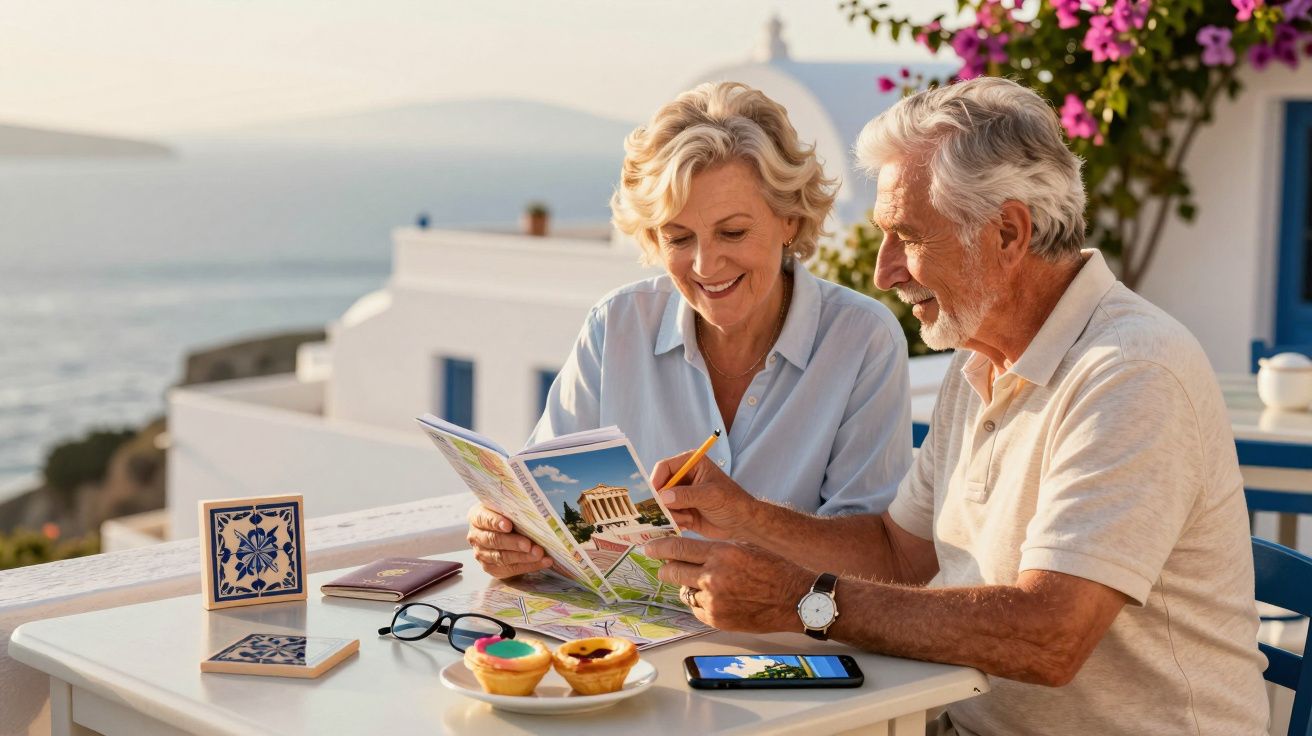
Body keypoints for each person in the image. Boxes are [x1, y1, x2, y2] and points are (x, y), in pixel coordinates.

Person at [644, 77, 1268, 735]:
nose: (883, 271)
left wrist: (799, 601)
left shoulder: (1132, 371)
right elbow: (898, 553)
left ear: (1007, 232)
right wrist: (741, 514)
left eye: (907, 236)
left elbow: (1048, 635)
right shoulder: (979, 356)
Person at [466, 82, 912, 579]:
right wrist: (504, 536)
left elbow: (879, 560)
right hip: (629, 645)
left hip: (784, 644)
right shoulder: (616, 325)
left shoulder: (862, 340)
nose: (705, 264)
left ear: (789, 219)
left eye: (732, 232)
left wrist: (747, 518)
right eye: (679, 237)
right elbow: (539, 499)